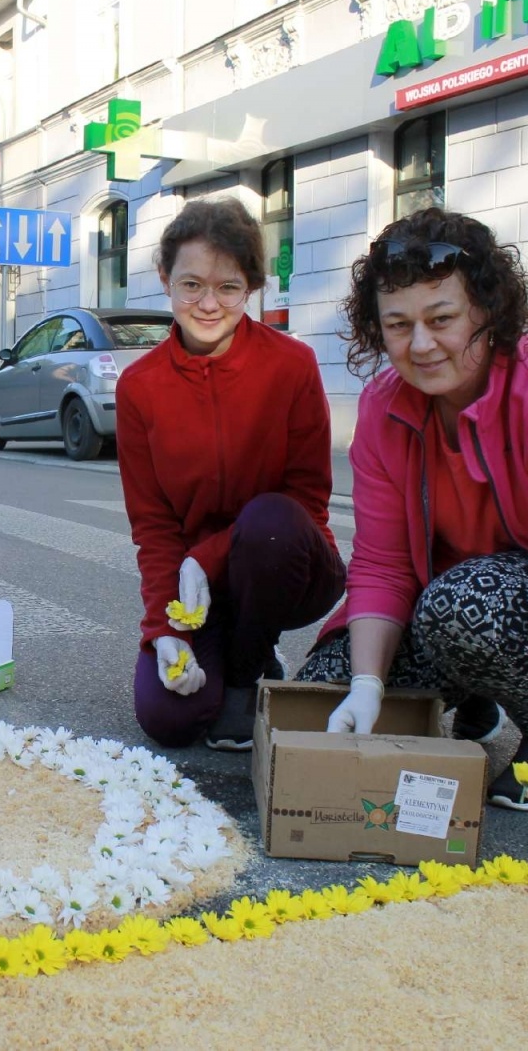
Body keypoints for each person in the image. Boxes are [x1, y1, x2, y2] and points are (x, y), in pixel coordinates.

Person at [299, 207, 528, 811]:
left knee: (466, 609)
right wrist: (368, 683)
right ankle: (470, 696)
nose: (419, 345)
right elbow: (381, 564)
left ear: (487, 310)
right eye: (397, 325)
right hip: (439, 597)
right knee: (320, 695)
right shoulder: (381, 408)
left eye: (441, 319)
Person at [116, 197, 345, 752]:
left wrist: (208, 554)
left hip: (288, 559)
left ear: (251, 288)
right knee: (168, 718)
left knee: (270, 522)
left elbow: (307, 501)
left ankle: (249, 670)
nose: (208, 303)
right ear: (165, 279)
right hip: (195, 593)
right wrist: (164, 632)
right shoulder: (139, 387)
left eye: (229, 287)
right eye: (192, 284)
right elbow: (153, 526)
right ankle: (227, 653)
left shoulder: (292, 366)